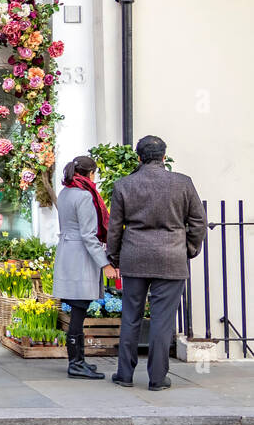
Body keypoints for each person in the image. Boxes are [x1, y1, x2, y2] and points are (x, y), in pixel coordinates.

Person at [106, 135, 207, 391]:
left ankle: (125, 374)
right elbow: (198, 222)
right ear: (164, 156)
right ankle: (157, 378)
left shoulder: (124, 185)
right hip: (171, 257)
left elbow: (115, 228)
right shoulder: (182, 183)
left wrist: (114, 257)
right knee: (163, 321)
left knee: (131, 317)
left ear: (139, 157)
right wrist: (189, 248)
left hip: (134, 256)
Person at [53, 155, 116, 380]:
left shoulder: (65, 192)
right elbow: (89, 236)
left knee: (77, 312)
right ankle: (76, 364)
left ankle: (78, 362)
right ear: (91, 174)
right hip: (80, 257)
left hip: (67, 253)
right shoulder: (85, 196)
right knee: (78, 314)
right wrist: (105, 263)